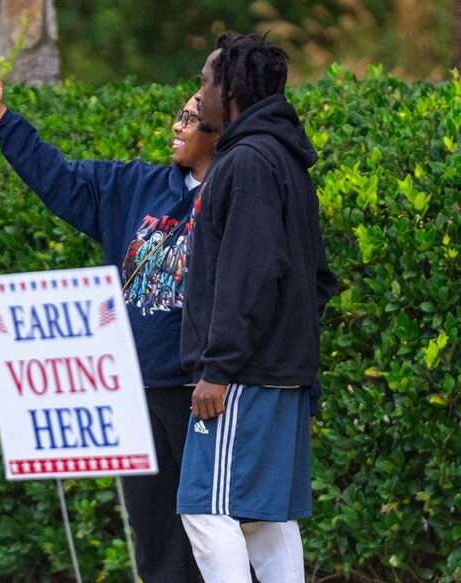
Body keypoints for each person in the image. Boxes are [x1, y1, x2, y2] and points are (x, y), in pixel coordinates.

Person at [0, 64, 214, 582]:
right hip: (135, 390)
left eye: (191, 119)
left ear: (219, 130)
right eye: (179, 116)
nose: (177, 126)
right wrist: (0, 116)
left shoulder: (236, 196)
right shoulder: (135, 187)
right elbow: (57, 178)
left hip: (198, 391)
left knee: (214, 531)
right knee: (153, 534)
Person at [176, 32, 337, 582]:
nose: (198, 95)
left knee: (205, 508)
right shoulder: (288, 161)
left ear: (232, 89)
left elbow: (248, 275)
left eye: (205, 82)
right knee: (265, 520)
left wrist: (218, 368)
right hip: (279, 372)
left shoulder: (244, 162)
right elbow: (316, 277)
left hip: (241, 376)